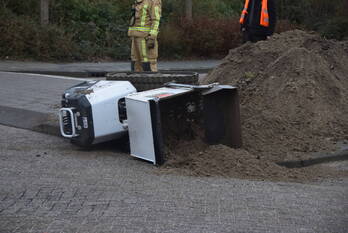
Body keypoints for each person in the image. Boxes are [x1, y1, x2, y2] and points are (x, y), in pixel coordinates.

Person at [128, 0, 162, 72]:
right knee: (135, 61)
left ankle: (150, 81)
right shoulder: (138, 1)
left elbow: (156, 20)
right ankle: (136, 81)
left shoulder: (153, 1)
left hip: (146, 38)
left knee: (148, 60)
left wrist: (152, 36)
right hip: (135, 36)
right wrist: (131, 33)